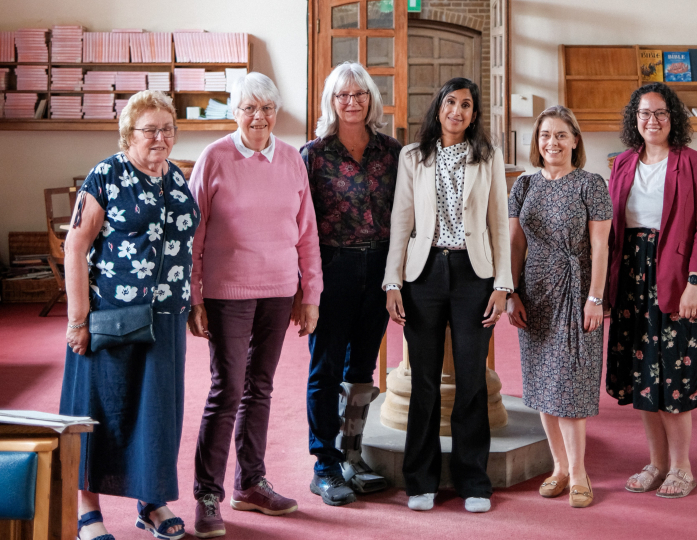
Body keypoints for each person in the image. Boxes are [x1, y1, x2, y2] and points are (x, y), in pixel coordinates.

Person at [187, 72, 323, 538]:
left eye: (266, 108)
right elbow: (195, 235)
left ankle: (251, 482)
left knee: (260, 388)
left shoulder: (291, 159)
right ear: (234, 112)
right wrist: (195, 295)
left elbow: (307, 233)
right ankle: (208, 493)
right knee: (227, 389)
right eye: (249, 108)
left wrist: (311, 295)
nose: (259, 117)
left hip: (279, 289)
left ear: (276, 112)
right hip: (227, 291)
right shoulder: (214, 158)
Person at [61, 90, 198, 540]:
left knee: (156, 413)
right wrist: (77, 320)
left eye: (167, 129)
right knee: (99, 408)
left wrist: (192, 302)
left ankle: (152, 500)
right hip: (112, 316)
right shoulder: (106, 175)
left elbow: (185, 247)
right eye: (150, 130)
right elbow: (75, 248)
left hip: (166, 317)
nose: (160, 137)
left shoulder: (175, 177)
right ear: (128, 134)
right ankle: (86, 508)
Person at [383, 77, 512, 514]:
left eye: (467, 105)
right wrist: (393, 282)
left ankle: (473, 480)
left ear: (475, 115)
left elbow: (499, 223)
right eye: (451, 102)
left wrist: (502, 285)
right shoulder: (413, 156)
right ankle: (421, 480)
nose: (457, 111)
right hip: (424, 274)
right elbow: (401, 220)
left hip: (475, 275)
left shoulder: (487, 157)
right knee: (424, 382)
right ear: (438, 107)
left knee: (472, 381)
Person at [605, 82, 697, 499]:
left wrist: (696, 283)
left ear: (674, 119)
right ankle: (656, 463)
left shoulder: (694, 163)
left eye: (660, 113)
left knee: (674, 375)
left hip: (675, 279)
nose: (651, 121)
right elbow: (613, 230)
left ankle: (682, 468)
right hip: (632, 278)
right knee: (642, 377)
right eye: (644, 114)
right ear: (634, 119)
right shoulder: (621, 164)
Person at [301, 62, 401, 506]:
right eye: (343, 95)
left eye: (360, 94)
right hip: (332, 266)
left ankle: (352, 457)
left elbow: (405, 217)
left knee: (361, 369)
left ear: (371, 100)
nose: (352, 102)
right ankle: (324, 464)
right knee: (324, 369)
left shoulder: (392, 151)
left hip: (379, 269)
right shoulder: (314, 154)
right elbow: (300, 225)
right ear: (331, 101)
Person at [506, 106, 612, 508]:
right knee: (542, 385)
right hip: (535, 292)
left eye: (561, 135)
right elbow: (516, 245)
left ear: (575, 140)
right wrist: (512, 291)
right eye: (545, 135)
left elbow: (601, 246)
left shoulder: (591, 184)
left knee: (569, 384)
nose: (552, 142)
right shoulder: (523, 185)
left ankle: (581, 473)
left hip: (577, 290)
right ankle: (559, 468)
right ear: (537, 141)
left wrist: (596, 297)